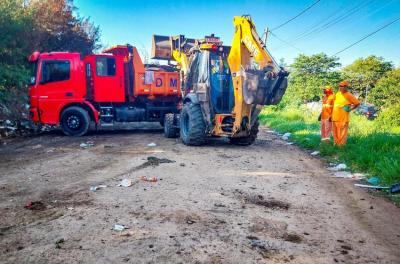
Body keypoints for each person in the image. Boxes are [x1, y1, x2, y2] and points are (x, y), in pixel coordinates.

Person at [331, 81, 360, 145]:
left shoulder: (349, 95)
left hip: (343, 118)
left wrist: (350, 109)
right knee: (335, 133)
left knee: (342, 133)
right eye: (339, 86)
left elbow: (357, 103)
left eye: (342, 86)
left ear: (346, 87)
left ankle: (341, 147)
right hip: (335, 117)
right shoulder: (338, 94)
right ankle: (335, 145)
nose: (340, 87)